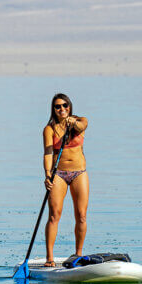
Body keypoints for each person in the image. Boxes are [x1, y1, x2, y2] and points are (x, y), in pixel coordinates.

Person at [42, 93, 89, 267]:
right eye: (58, 106)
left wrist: (72, 123)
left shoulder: (80, 121)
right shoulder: (49, 129)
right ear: (53, 110)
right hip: (59, 174)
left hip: (79, 173)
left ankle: (78, 255)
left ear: (69, 106)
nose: (62, 109)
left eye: (65, 105)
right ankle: (49, 258)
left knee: (81, 216)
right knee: (54, 215)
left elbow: (83, 125)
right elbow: (48, 154)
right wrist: (47, 175)